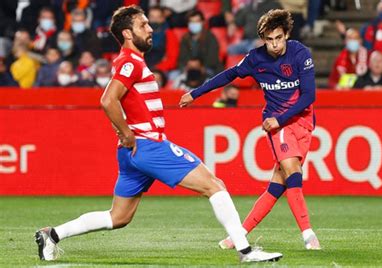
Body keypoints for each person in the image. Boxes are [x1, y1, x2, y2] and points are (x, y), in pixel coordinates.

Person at [34, 6, 282, 264]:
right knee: (214, 185)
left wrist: (128, 137)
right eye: (143, 25)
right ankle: (246, 251)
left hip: (132, 152)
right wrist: (127, 132)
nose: (150, 29)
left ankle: (52, 234)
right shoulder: (129, 62)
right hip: (148, 145)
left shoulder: (131, 61)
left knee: (118, 217)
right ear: (128, 33)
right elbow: (108, 100)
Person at [180, 9, 321, 251]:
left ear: (286, 34)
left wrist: (284, 118)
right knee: (291, 170)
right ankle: (308, 235)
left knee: (278, 185)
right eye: (269, 39)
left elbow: (309, 96)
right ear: (262, 39)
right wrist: (195, 93)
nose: (275, 45)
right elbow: (229, 75)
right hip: (277, 124)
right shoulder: (256, 59)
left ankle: (239, 235)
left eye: (279, 37)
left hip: (303, 123)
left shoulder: (300, 53)